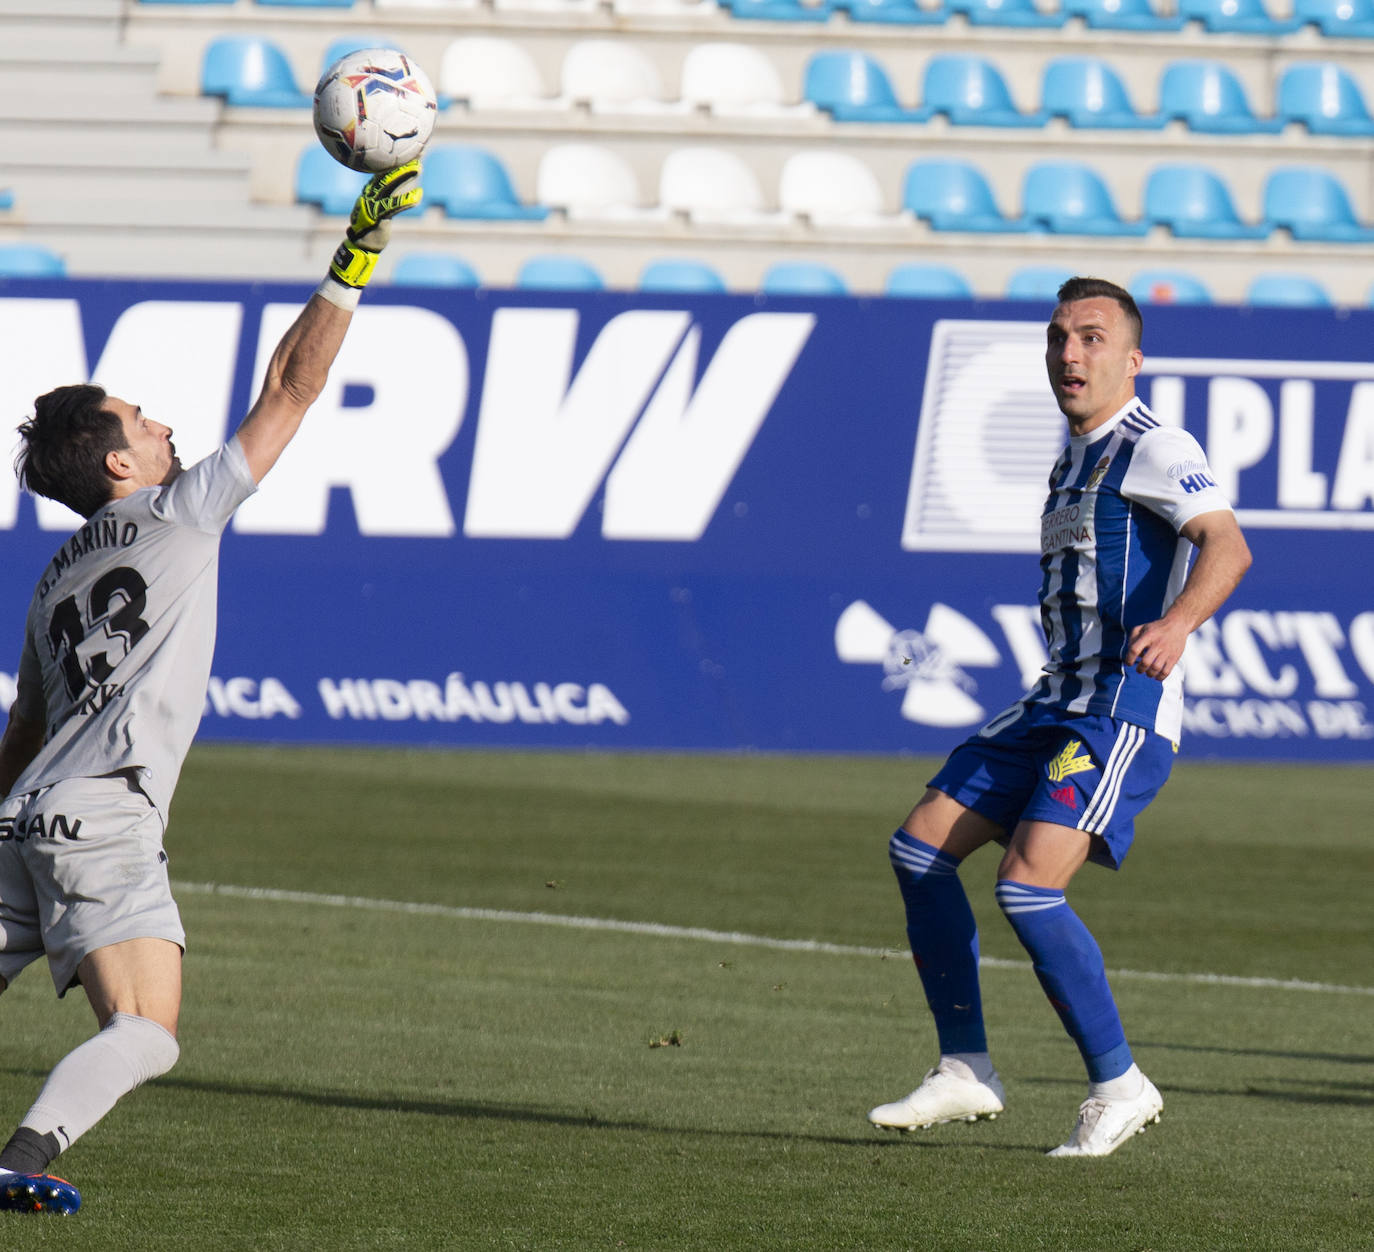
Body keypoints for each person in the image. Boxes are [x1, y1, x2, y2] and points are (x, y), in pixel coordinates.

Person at [0, 161, 422, 1213]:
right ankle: (26, 1156)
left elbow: (22, 727)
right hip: (101, 821)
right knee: (144, 1030)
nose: (161, 425)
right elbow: (292, 384)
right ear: (117, 468)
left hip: (17, 820)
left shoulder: (53, 579)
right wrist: (359, 246)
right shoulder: (180, 514)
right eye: (139, 421)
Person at [868, 276, 1252, 1157]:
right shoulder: (1072, 453)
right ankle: (966, 1068)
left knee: (1026, 884)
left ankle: (1120, 1085)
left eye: (1090, 338)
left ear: (1131, 357)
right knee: (918, 848)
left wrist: (1180, 622)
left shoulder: (1154, 445)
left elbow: (1228, 544)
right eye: (1058, 339)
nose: (1070, 355)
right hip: (1058, 697)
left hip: (1120, 709)